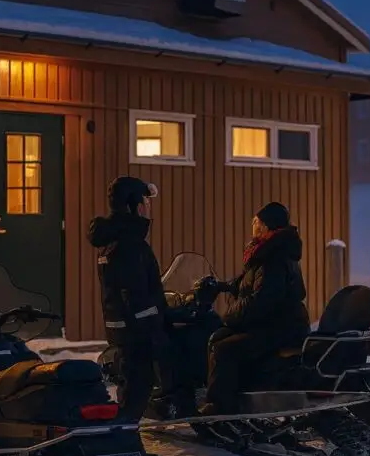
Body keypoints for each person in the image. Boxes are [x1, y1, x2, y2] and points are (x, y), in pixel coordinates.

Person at [87, 176, 185, 425]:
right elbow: (134, 293)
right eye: (145, 202)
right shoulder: (129, 244)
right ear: (134, 206)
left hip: (123, 327)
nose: (148, 208)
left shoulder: (114, 240)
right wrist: (157, 324)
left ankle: (125, 434)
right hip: (137, 330)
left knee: (133, 386)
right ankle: (122, 439)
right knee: (137, 388)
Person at [198, 202, 310, 416]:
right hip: (274, 323)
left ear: (266, 226)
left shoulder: (273, 256)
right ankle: (236, 394)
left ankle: (221, 409)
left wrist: (229, 316)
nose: (253, 225)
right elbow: (249, 282)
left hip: (280, 327)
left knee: (223, 349)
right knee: (219, 336)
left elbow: (262, 300)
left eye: (256, 221)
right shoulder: (270, 251)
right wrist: (222, 286)